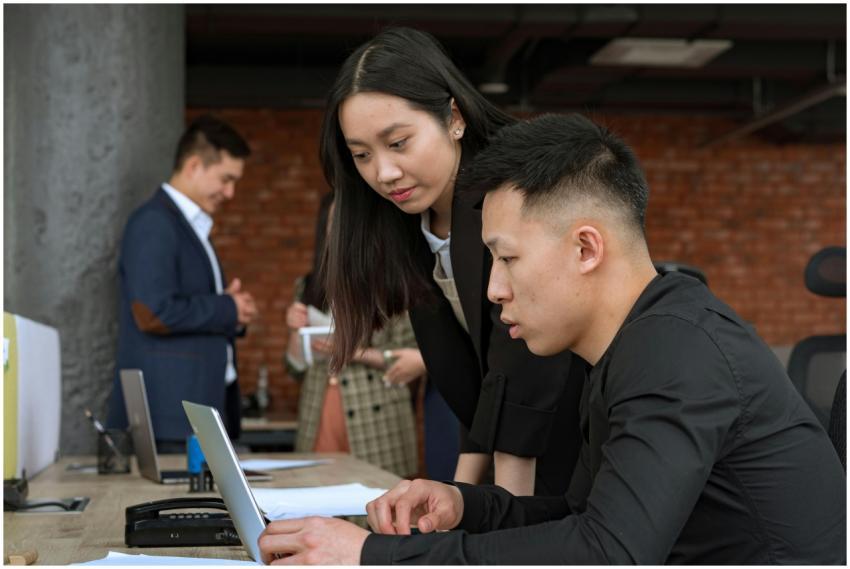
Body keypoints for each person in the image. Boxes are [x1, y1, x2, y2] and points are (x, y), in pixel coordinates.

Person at [257, 114, 846, 564]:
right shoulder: (632, 344)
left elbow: (605, 553)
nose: (493, 289)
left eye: (507, 258)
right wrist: (466, 504)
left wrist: (368, 555)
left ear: (586, 248)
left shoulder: (676, 354)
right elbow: (581, 514)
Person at [318, 26, 585, 497]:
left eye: (398, 143)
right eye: (362, 154)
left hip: (586, 440)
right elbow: (480, 384)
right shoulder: (412, 225)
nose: (383, 172)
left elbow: (524, 367)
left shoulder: (516, 194)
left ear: (454, 118)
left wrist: (500, 514)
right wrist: (462, 500)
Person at [107, 115, 258, 452]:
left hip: (192, 414)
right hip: (170, 418)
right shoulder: (154, 223)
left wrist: (231, 310)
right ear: (193, 166)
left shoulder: (186, 225)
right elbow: (152, 312)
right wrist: (225, 307)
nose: (231, 192)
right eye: (226, 179)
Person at [285, 192, 423, 477]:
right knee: (318, 505)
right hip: (318, 409)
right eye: (336, 221)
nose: (343, 230)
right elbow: (295, 368)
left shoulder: (394, 284)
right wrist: (295, 332)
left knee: (377, 511)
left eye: (351, 220)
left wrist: (353, 351)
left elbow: (414, 358)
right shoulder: (308, 286)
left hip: (377, 417)